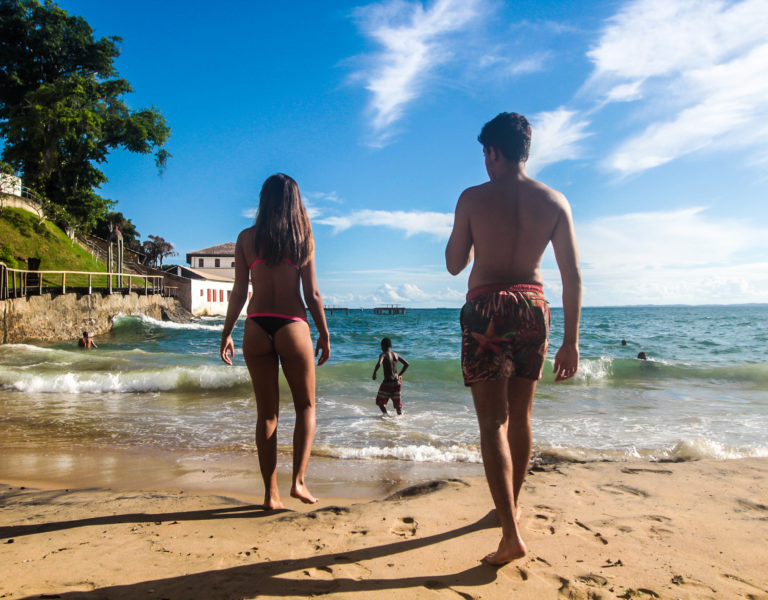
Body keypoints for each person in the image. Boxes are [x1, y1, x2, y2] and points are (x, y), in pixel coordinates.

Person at [445, 112, 581, 565]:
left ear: (493, 152)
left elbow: (453, 263)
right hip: (532, 305)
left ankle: (509, 535)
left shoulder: (473, 197)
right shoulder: (555, 201)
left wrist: (467, 231)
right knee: (520, 419)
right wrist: (571, 342)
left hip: (487, 307)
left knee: (492, 424)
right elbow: (572, 277)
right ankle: (511, 509)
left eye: (485, 153)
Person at [219, 173, 330, 509]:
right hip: (292, 325)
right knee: (306, 407)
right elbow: (311, 293)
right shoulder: (302, 237)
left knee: (267, 415)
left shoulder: (246, 238)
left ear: (263, 201)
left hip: (256, 326)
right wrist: (324, 333)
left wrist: (226, 333)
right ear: (295, 202)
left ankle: (270, 494)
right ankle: (297, 482)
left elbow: (240, 292)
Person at [372, 337, 410, 415]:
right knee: (397, 405)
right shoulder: (396, 354)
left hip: (387, 383)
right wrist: (400, 374)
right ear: (391, 346)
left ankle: (386, 416)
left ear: (383, 346)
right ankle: (400, 419)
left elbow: (379, 363)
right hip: (397, 383)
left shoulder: (383, 354)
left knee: (379, 402)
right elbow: (407, 364)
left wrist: (374, 372)